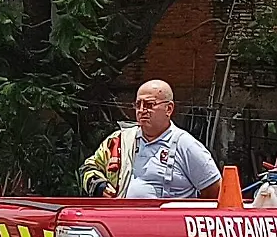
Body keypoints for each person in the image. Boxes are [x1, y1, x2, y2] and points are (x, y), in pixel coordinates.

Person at [78, 80, 221, 200]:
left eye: (149, 105)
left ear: (169, 109)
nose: (141, 110)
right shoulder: (119, 141)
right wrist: (99, 186)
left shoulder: (186, 145)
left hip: (167, 229)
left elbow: (214, 191)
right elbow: (87, 168)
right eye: (138, 104)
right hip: (122, 226)